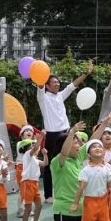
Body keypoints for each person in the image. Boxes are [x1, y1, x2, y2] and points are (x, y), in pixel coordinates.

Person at [28, 114, 111, 221]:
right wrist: (72, 132)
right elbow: (63, 152)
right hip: (65, 210)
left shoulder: (78, 159)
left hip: (81, 210)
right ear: (66, 145)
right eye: (75, 143)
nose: (79, 145)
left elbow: (92, 140)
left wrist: (105, 123)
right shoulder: (58, 162)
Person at [37, 61, 94, 202]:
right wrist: (40, 75)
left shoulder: (60, 96)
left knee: (74, 159)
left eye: (58, 82)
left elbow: (73, 85)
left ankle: (74, 189)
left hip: (67, 133)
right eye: (53, 83)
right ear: (47, 86)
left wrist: (86, 73)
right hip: (52, 135)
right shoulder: (43, 97)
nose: (57, 84)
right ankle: (49, 195)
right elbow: (40, 85)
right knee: (51, 163)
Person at [18, 132, 48, 221]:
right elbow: (35, 148)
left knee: (39, 205)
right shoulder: (27, 155)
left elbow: (45, 164)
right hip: (27, 183)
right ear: (27, 148)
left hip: (34, 183)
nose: (36, 146)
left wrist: (45, 155)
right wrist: (41, 137)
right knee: (28, 208)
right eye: (32, 144)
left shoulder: (35, 159)